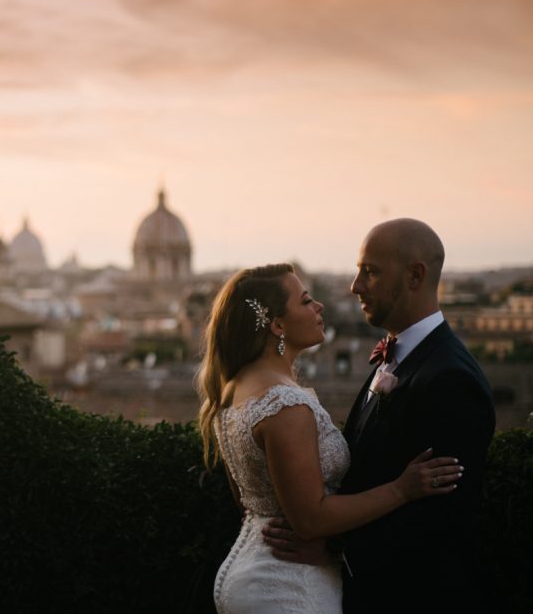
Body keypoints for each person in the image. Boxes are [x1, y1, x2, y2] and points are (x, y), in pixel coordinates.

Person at [198, 262, 462, 613]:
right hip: (289, 585)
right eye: (306, 301)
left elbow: (250, 497)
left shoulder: (234, 388)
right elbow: (311, 520)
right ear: (277, 325)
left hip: (250, 570)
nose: (319, 306)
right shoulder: (284, 404)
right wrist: (402, 489)